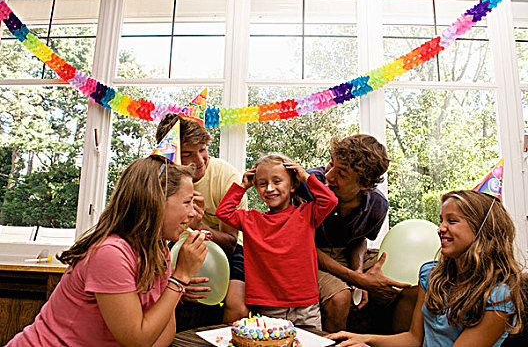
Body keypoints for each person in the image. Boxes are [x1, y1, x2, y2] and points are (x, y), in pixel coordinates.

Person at [7, 157, 208, 346]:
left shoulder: (158, 250)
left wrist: (176, 284)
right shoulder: (110, 253)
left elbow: (162, 337)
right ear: (155, 202)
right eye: (187, 202)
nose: (193, 213)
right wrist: (180, 277)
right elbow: (137, 340)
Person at [327, 190, 524, 347]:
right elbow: (413, 339)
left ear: (483, 230)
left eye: (452, 221)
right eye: (441, 220)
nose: (440, 228)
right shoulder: (431, 275)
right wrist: (364, 339)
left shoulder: (499, 297)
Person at [295, 134, 412, 332]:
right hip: (307, 254)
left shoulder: (378, 205)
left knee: (407, 286)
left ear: (364, 185)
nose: (329, 176)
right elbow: (302, 246)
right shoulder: (307, 186)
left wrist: (358, 270)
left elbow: (360, 239)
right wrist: (357, 279)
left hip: (345, 254)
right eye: (330, 164)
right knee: (340, 299)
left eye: (341, 174)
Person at [216, 154, 338, 329]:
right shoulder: (251, 219)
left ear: (293, 186)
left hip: (306, 306)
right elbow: (224, 212)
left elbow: (330, 200)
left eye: (277, 181)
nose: (270, 188)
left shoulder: (307, 213)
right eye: (262, 184)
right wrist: (242, 186)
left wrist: (304, 177)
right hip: (268, 306)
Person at [156, 114, 248, 324]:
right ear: (170, 156)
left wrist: (199, 225)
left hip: (224, 248)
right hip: (172, 246)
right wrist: (176, 281)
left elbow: (231, 243)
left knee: (237, 307)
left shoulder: (227, 177)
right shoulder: (159, 179)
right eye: (188, 153)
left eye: (203, 150)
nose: (200, 161)